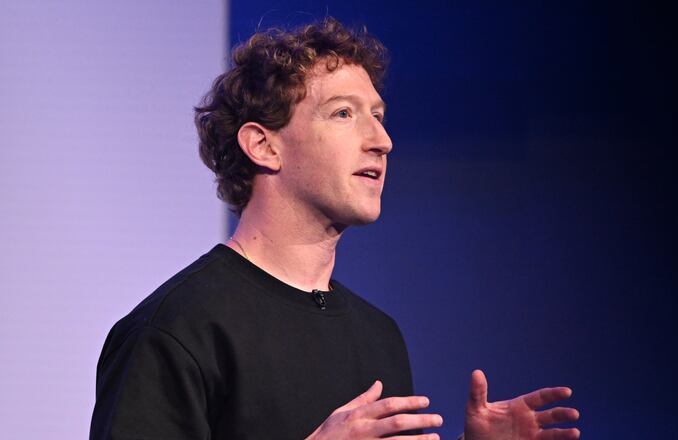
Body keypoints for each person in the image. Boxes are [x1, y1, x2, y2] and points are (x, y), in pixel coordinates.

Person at [89, 17, 580, 440]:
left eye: (379, 117)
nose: (382, 141)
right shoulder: (176, 329)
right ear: (263, 146)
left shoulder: (378, 335)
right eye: (344, 113)